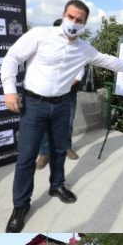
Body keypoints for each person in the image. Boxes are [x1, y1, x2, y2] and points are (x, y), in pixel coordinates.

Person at [1, 0, 123, 233]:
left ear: (84, 23)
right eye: (71, 17)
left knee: (60, 149)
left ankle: (57, 185)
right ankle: (20, 206)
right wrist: (9, 89)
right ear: (64, 15)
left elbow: (107, 60)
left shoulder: (84, 48)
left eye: (79, 20)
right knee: (26, 157)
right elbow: (12, 58)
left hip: (61, 105)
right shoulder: (40, 35)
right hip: (34, 104)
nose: (73, 22)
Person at [36, 20, 84, 169]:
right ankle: (45, 153)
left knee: (68, 122)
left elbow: (79, 74)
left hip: (68, 94)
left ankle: (66, 148)